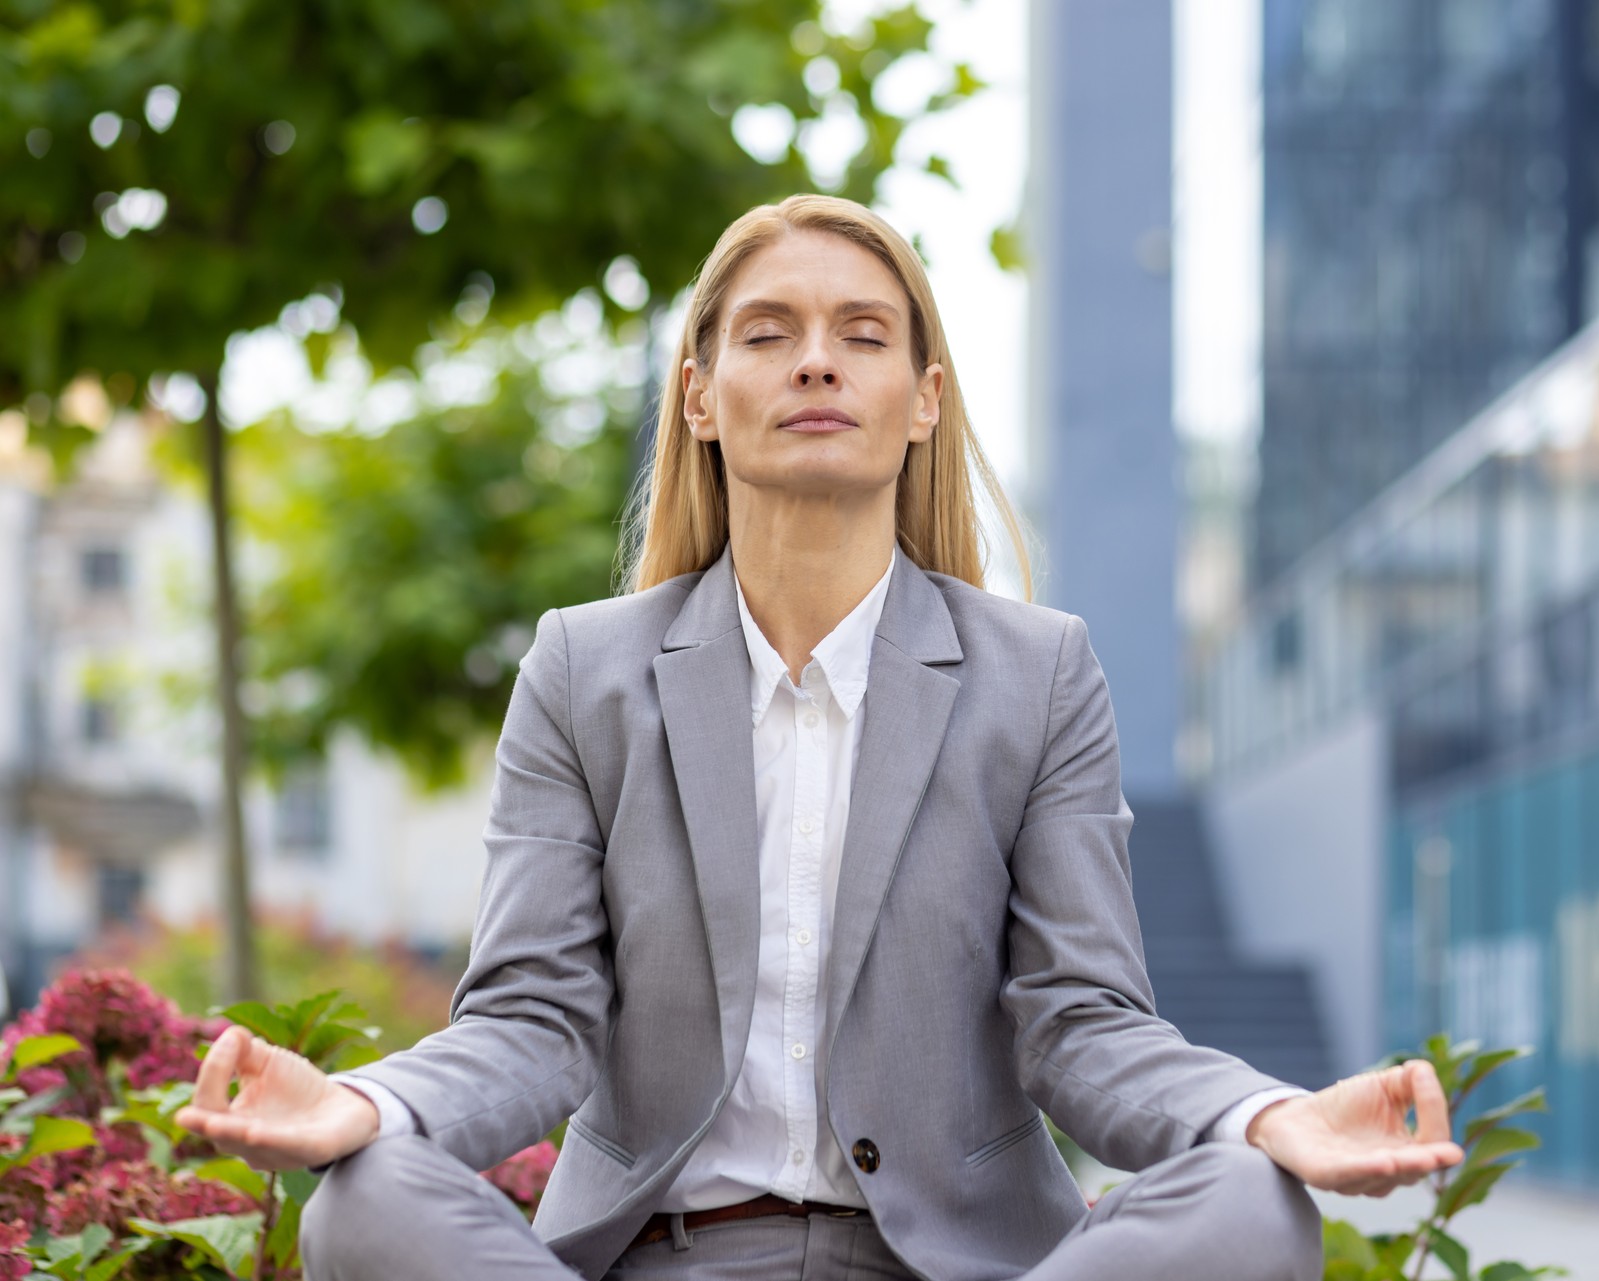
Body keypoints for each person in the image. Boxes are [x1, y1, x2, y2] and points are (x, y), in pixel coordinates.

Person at [177, 194, 1462, 1281]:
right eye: (768, 333)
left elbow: (1085, 1023)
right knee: (363, 1200)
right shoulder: (584, 670)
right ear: (698, 395)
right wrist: (367, 1103)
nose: (815, 362)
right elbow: (533, 1016)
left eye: (862, 334)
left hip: (951, 1261)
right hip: (660, 1251)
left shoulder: (1041, 673)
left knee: (1251, 1207)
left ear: (922, 400)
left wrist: (1272, 1115)